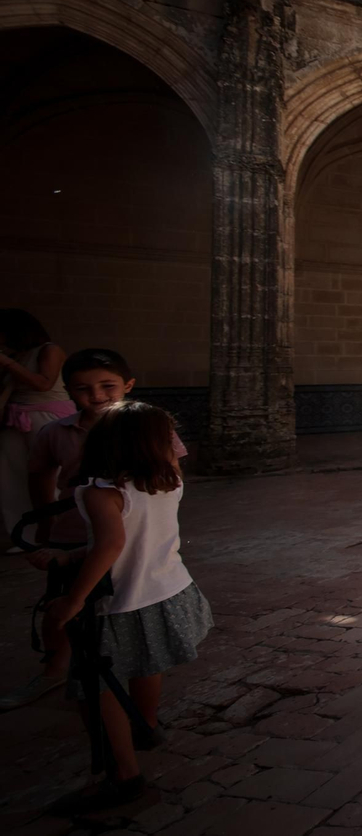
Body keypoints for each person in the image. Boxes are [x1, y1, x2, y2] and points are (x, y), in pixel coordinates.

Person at [39, 401, 211, 816]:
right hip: (167, 591)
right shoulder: (168, 481)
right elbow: (134, 536)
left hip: (119, 603)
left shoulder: (101, 492)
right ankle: (146, 726)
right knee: (144, 665)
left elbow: (112, 545)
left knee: (96, 689)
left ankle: (123, 774)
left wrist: (72, 599)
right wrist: (69, 557)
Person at [0, 349, 189, 712]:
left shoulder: (148, 429)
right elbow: (40, 475)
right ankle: (54, 670)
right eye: (84, 388)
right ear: (68, 390)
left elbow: (170, 478)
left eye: (108, 386)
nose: (98, 396)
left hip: (126, 540)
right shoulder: (57, 432)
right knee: (62, 609)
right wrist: (46, 526)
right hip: (74, 533)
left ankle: (127, 706)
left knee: (115, 615)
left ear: (128, 386)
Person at [0, 309, 73, 543]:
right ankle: (23, 535)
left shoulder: (49, 349)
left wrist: (7, 363)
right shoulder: (18, 354)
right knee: (11, 478)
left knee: (50, 478)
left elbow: (44, 383)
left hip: (46, 415)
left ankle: (60, 531)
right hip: (15, 418)